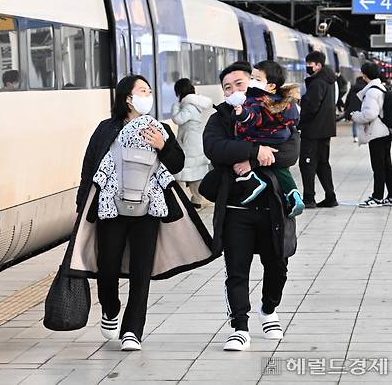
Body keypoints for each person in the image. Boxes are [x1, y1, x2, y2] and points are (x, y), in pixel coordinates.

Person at [66, 75, 216, 352]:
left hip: (149, 209)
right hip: (110, 209)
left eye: (149, 90)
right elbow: (89, 169)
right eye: (142, 91)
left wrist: (164, 145)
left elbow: (176, 164)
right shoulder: (105, 129)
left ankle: (132, 330)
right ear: (128, 98)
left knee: (141, 271)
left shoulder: (160, 128)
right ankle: (110, 308)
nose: (148, 95)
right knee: (107, 267)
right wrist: (81, 208)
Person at [201, 61, 300, 352]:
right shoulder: (220, 117)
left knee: (277, 266)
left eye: (240, 84)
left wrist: (251, 160)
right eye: (227, 87)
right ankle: (239, 327)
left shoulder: (277, 109)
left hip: (273, 206)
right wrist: (256, 150)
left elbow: (290, 152)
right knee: (237, 270)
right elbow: (214, 148)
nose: (234, 90)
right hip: (235, 209)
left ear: (255, 85)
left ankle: (269, 309)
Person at [228, 60, 304, 217]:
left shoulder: (258, 100)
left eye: (258, 79)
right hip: (278, 139)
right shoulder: (280, 102)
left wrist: (241, 113)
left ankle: (253, 181)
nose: (252, 82)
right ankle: (293, 194)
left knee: (238, 151)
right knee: (281, 169)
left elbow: (254, 117)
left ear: (271, 86)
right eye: (252, 77)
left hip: (260, 138)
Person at [298, 51, 338, 208]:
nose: (307, 67)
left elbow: (312, 106)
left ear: (318, 66)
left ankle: (309, 198)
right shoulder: (328, 80)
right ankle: (330, 196)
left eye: (310, 64)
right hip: (325, 129)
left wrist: (300, 122)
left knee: (307, 163)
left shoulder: (318, 82)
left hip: (313, 130)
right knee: (322, 163)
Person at [350, 62, 392, 207]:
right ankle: (390, 196)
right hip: (386, 131)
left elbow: (369, 114)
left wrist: (356, 116)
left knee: (378, 166)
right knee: (386, 165)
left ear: (365, 75)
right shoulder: (381, 88)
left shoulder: (372, 92)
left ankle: (377, 197)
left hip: (377, 133)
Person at [170, 78, 212, 208]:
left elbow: (178, 119)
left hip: (188, 144)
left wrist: (175, 105)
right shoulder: (194, 104)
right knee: (196, 173)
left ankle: (181, 200)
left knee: (181, 173)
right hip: (195, 142)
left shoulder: (188, 106)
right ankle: (197, 200)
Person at [345, 75, 367, 143]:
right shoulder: (365, 88)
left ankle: (355, 137)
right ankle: (364, 136)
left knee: (355, 123)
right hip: (362, 107)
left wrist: (346, 107)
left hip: (354, 108)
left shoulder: (353, 88)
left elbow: (348, 98)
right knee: (364, 122)